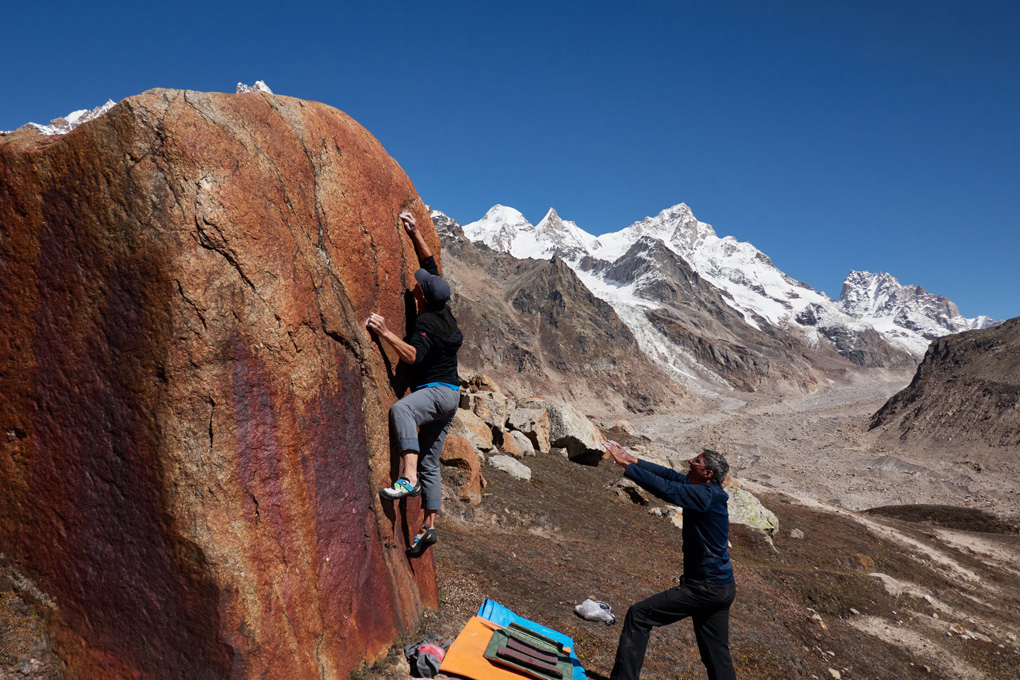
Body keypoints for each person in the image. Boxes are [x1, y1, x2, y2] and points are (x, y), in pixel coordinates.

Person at [366, 211, 463, 557]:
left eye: (418, 287)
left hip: (435, 393)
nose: (415, 286)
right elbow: (430, 265)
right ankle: (428, 527)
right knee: (431, 461)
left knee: (402, 411)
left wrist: (385, 333)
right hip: (453, 396)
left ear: (422, 296)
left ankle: (407, 479)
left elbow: (412, 356)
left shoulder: (426, 325)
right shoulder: (443, 307)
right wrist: (415, 232)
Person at [604, 441, 736, 680]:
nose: (690, 461)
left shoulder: (705, 495)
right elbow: (669, 476)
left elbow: (667, 489)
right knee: (716, 653)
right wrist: (633, 460)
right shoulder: (705, 490)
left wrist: (626, 467)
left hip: (704, 588)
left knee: (639, 615)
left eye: (697, 461)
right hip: (721, 587)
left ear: (707, 473)